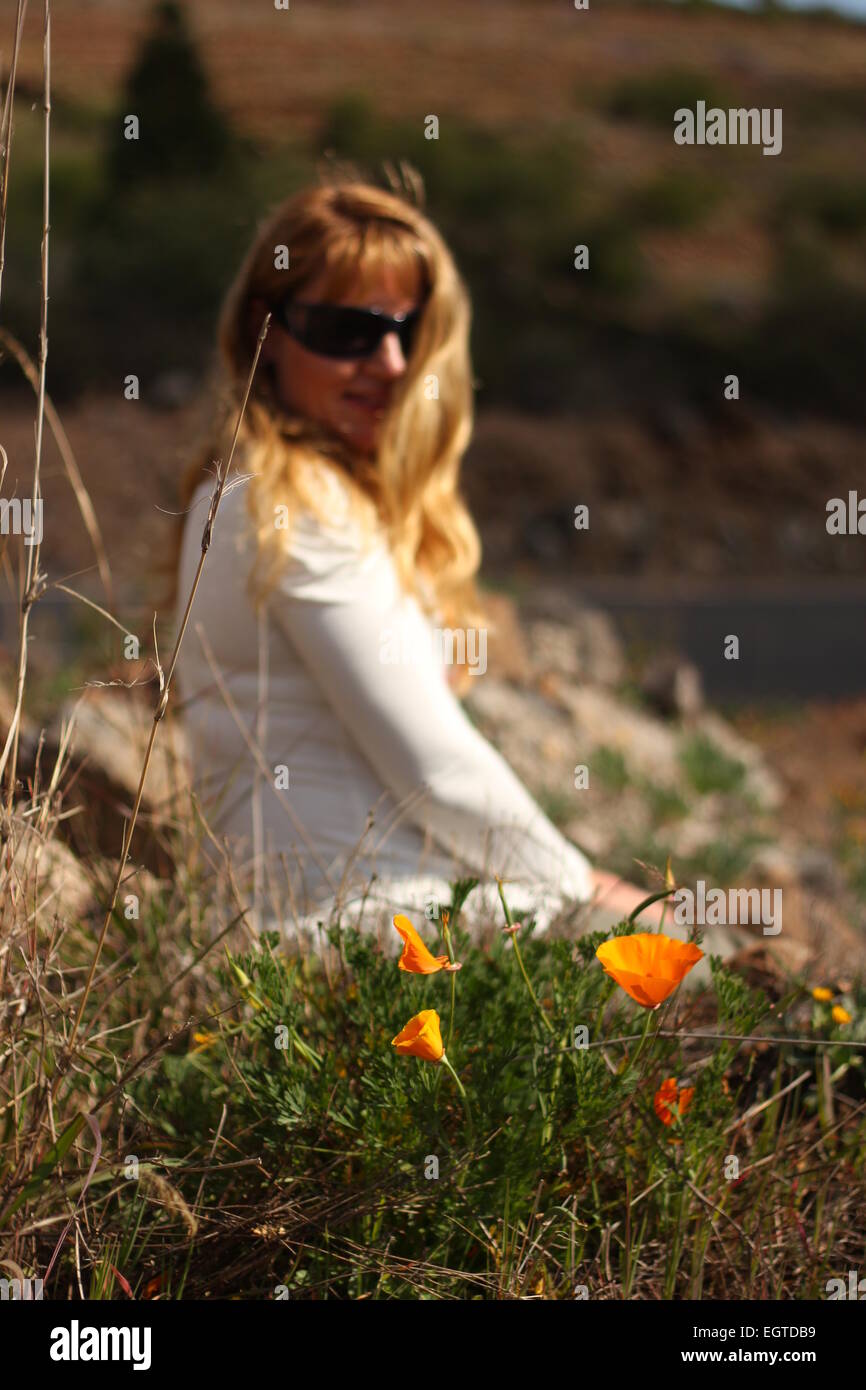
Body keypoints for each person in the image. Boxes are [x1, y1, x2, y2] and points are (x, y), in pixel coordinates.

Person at [168, 170, 716, 952]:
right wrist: (592, 894)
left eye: (408, 332)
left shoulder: (281, 493)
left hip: (360, 918)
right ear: (266, 327)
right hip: (358, 927)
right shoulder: (283, 505)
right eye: (347, 331)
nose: (388, 362)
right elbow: (436, 768)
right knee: (709, 973)